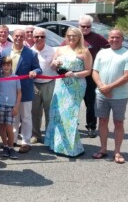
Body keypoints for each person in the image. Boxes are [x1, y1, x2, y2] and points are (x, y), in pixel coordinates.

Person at [91, 29, 128, 164]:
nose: (114, 40)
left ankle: (117, 151)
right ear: (108, 39)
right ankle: (103, 149)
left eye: (117, 37)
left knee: (118, 122)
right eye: (112, 37)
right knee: (103, 121)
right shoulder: (102, 52)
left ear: (122, 39)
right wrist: (101, 87)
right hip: (101, 94)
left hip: (119, 96)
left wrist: (109, 87)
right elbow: (95, 71)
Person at [45, 28, 92, 157]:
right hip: (61, 85)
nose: (71, 38)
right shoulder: (60, 49)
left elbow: (88, 71)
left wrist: (75, 74)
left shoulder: (85, 51)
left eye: (74, 36)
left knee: (70, 115)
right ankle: (57, 145)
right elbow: (53, 66)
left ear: (79, 37)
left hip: (76, 86)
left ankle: (72, 148)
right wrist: (54, 63)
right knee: (57, 113)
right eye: (69, 36)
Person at [77, 15, 110, 138]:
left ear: (91, 26)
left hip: (90, 75)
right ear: (78, 26)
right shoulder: (74, 36)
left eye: (88, 26)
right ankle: (73, 126)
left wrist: (101, 62)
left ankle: (91, 127)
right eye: (82, 26)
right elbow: (63, 48)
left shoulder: (96, 38)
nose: (85, 28)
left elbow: (109, 48)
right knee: (74, 103)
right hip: (74, 75)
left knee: (90, 103)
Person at [10, 29, 42, 154]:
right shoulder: (6, 51)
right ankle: (12, 139)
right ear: (13, 37)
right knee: (13, 117)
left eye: (21, 36)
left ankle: (25, 142)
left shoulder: (31, 53)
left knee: (26, 117)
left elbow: (38, 69)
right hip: (9, 90)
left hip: (25, 90)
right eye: (16, 36)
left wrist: (35, 72)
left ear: (24, 38)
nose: (18, 38)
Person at [30, 28, 56, 143]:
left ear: (45, 38)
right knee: (35, 111)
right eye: (37, 36)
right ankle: (36, 134)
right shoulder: (30, 51)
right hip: (34, 84)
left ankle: (50, 135)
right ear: (33, 37)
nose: (39, 39)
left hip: (49, 84)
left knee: (49, 110)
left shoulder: (52, 51)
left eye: (42, 36)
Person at [0, 57, 21, 159]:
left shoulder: (16, 77)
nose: (6, 67)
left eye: (8, 65)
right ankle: (5, 146)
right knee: (2, 128)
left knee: (9, 128)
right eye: (4, 65)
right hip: (1, 105)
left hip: (11, 106)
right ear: (1, 66)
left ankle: (11, 147)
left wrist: (16, 106)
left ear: (11, 66)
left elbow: (19, 93)